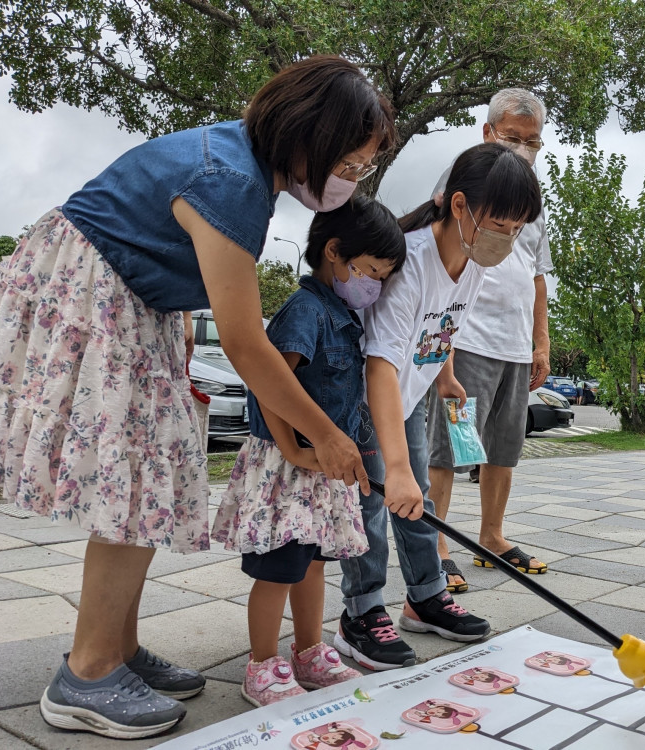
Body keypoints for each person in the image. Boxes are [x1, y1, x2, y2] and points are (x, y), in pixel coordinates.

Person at [0, 56, 392, 738]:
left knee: (147, 476)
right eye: (350, 160)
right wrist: (331, 436)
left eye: (363, 168)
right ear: (309, 137)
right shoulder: (231, 181)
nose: (353, 177)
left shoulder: (242, 165)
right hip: (98, 294)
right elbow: (247, 344)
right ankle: (89, 672)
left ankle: (119, 647)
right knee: (134, 484)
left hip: (133, 301)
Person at [335, 143, 542, 670]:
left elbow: (444, 326)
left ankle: (425, 599)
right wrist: (396, 465)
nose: (507, 239)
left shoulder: (473, 262)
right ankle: (360, 614)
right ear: (458, 206)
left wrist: (445, 377)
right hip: (367, 404)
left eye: (517, 230)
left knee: (418, 500)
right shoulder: (409, 262)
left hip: (411, 394)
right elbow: (379, 366)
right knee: (375, 505)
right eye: (499, 224)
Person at [211, 197, 405, 706]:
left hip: (326, 466)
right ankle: (262, 665)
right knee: (279, 566)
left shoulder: (344, 314)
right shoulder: (305, 312)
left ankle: (309, 650)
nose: (375, 286)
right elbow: (266, 381)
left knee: (316, 560)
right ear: (335, 253)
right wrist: (293, 450)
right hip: (288, 465)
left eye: (384, 277)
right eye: (372, 272)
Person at [426, 89, 553, 593]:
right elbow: (439, 260)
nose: (523, 148)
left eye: (532, 140)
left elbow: (539, 275)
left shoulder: (534, 198)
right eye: (512, 137)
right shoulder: (467, 177)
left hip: (515, 347)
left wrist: (540, 342)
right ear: (488, 133)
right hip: (468, 340)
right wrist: (445, 347)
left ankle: (492, 537)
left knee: (505, 448)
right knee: (448, 449)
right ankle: (436, 545)